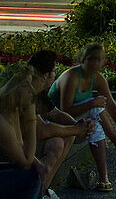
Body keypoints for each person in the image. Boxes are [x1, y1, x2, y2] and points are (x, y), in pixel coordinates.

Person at [48, 41, 116, 192]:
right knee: (97, 106)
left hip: (79, 122)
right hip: (57, 120)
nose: (95, 63)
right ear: (83, 59)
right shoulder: (72, 77)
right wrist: (92, 103)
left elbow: (111, 105)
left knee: (97, 121)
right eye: (91, 59)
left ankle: (103, 178)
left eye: (99, 59)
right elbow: (65, 111)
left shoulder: (97, 78)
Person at [0, 64, 51, 198]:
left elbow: (20, 146)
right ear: (12, 89)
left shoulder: (10, 110)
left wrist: (38, 163)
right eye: (25, 85)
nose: (32, 90)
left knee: (33, 171)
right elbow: (25, 161)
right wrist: (31, 119)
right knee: (29, 176)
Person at [28, 49, 95, 192]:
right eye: (54, 71)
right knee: (58, 141)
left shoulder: (39, 91)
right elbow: (41, 130)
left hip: (20, 142)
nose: (55, 74)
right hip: (4, 149)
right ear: (46, 75)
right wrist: (77, 130)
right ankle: (37, 190)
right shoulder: (27, 91)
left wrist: (78, 126)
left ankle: (43, 189)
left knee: (66, 135)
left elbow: (55, 114)